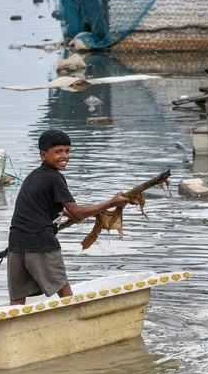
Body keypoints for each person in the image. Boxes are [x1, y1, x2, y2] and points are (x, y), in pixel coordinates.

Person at [7, 130, 127, 305]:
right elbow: (77, 212)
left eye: (67, 151)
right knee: (64, 290)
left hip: (16, 243)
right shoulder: (54, 178)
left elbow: (46, 207)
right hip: (40, 242)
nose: (64, 156)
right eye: (58, 152)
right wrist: (111, 203)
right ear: (43, 155)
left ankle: (14, 329)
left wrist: (72, 214)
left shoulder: (34, 177)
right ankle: (76, 320)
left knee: (17, 300)